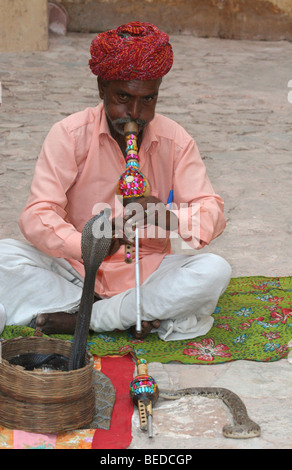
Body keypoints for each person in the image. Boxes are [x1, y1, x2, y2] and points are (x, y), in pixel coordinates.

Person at [0, 21, 231, 341]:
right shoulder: (69, 135)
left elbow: (212, 213)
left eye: (148, 99)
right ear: (102, 90)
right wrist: (86, 244)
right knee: (5, 255)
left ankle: (90, 317)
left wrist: (171, 218)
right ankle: (126, 314)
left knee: (214, 271)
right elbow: (37, 213)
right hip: (75, 273)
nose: (135, 111)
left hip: (147, 274)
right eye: (123, 96)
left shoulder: (175, 140)